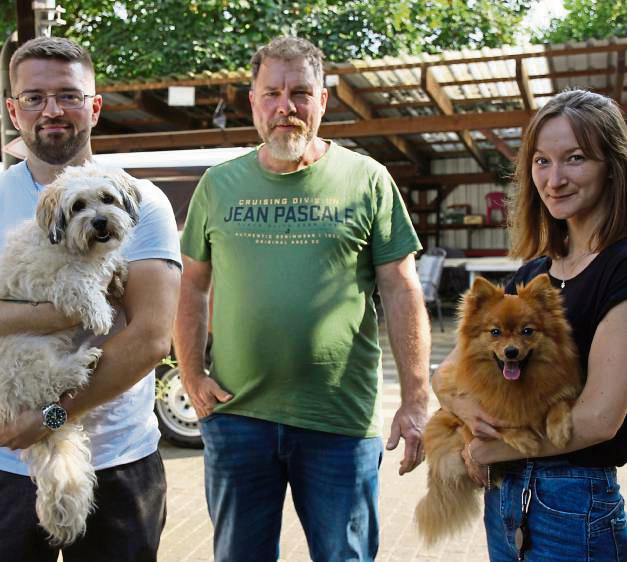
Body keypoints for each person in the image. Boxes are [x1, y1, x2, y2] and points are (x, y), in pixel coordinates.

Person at [175, 36, 431, 562]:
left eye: (300, 93)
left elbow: (402, 287)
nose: (285, 107)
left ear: (323, 101)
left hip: (339, 422)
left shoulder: (368, 180)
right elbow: (192, 285)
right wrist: (190, 375)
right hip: (238, 417)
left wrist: (416, 397)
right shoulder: (219, 185)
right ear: (253, 101)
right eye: (271, 93)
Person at [0, 37, 181, 562]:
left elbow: (149, 339)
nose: (51, 110)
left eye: (68, 95)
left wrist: (51, 418)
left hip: (120, 464)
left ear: (94, 106)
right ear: (13, 110)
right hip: (9, 467)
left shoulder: (144, 203)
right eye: (33, 97)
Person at [433, 89, 627, 561]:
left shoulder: (620, 266)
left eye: (575, 159)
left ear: (612, 165)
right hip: (506, 498)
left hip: (573, 501)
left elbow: (600, 419)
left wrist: (489, 450)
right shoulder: (532, 274)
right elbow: (446, 374)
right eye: (542, 161)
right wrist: (466, 412)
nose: (554, 179)